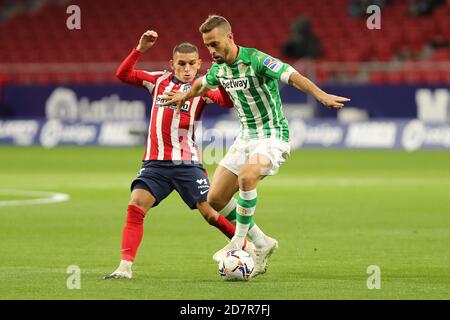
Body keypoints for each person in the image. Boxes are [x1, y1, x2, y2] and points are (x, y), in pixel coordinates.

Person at [163, 15, 350, 277]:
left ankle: (239, 242)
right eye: (208, 46)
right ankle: (262, 242)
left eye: (215, 44)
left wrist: (321, 95)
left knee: (247, 177)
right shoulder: (220, 69)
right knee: (214, 199)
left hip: (273, 135)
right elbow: (201, 84)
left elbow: (292, 75)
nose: (212, 51)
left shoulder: (257, 60)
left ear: (230, 36)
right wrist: (184, 94)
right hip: (246, 138)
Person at [104, 30, 254, 279]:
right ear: (171, 64)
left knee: (210, 213)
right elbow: (123, 74)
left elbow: (226, 102)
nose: (187, 68)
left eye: (192, 63)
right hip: (155, 163)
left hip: (187, 163)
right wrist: (139, 49)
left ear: (199, 64)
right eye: (181, 63)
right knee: (135, 206)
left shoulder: (203, 87)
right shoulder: (157, 81)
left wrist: (220, 80)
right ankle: (124, 267)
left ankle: (249, 248)